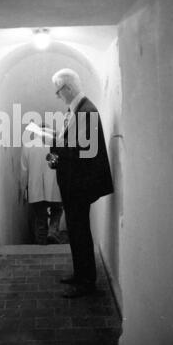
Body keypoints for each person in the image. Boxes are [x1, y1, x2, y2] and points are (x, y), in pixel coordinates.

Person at [48, 69, 114, 298]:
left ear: (66, 88)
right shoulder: (78, 110)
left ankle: (87, 281)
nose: (58, 96)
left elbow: (85, 152)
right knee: (76, 230)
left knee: (80, 231)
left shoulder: (86, 111)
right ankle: (80, 274)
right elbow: (73, 143)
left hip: (79, 184)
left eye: (58, 91)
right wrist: (56, 142)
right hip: (74, 182)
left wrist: (53, 142)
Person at [21, 126, 63, 245]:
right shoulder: (56, 146)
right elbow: (61, 166)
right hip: (55, 187)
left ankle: (41, 244)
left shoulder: (28, 146)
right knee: (57, 210)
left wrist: (23, 189)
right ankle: (53, 231)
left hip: (35, 189)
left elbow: (24, 171)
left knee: (40, 217)